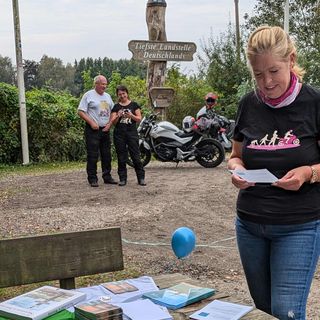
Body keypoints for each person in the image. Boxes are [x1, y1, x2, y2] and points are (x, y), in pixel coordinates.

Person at [228, 25, 320, 320]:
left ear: (291, 60)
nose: (266, 82)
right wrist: (237, 170)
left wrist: (308, 172)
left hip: (300, 226)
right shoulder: (248, 104)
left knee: (286, 312)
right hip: (250, 226)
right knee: (263, 312)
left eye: (273, 71)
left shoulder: (314, 104)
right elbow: (235, 155)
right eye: (257, 74)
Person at [78, 75, 117, 187]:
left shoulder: (108, 96)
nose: (104, 86)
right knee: (93, 155)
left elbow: (113, 111)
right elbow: (80, 111)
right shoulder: (88, 95)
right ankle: (92, 178)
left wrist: (110, 124)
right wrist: (91, 122)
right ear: (96, 84)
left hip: (105, 129)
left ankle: (107, 176)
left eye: (105, 84)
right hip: (92, 130)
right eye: (102, 84)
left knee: (107, 155)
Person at [109, 85, 146, 186]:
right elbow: (113, 122)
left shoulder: (134, 105)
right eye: (120, 94)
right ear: (117, 95)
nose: (122, 95)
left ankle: (141, 178)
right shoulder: (116, 107)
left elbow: (139, 119)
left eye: (123, 93)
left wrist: (131, 115)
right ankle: (122, 179)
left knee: (136, 156)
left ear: (127, 93)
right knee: (121, 157)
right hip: (119, 135)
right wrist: (118, 115)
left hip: (132, 134)